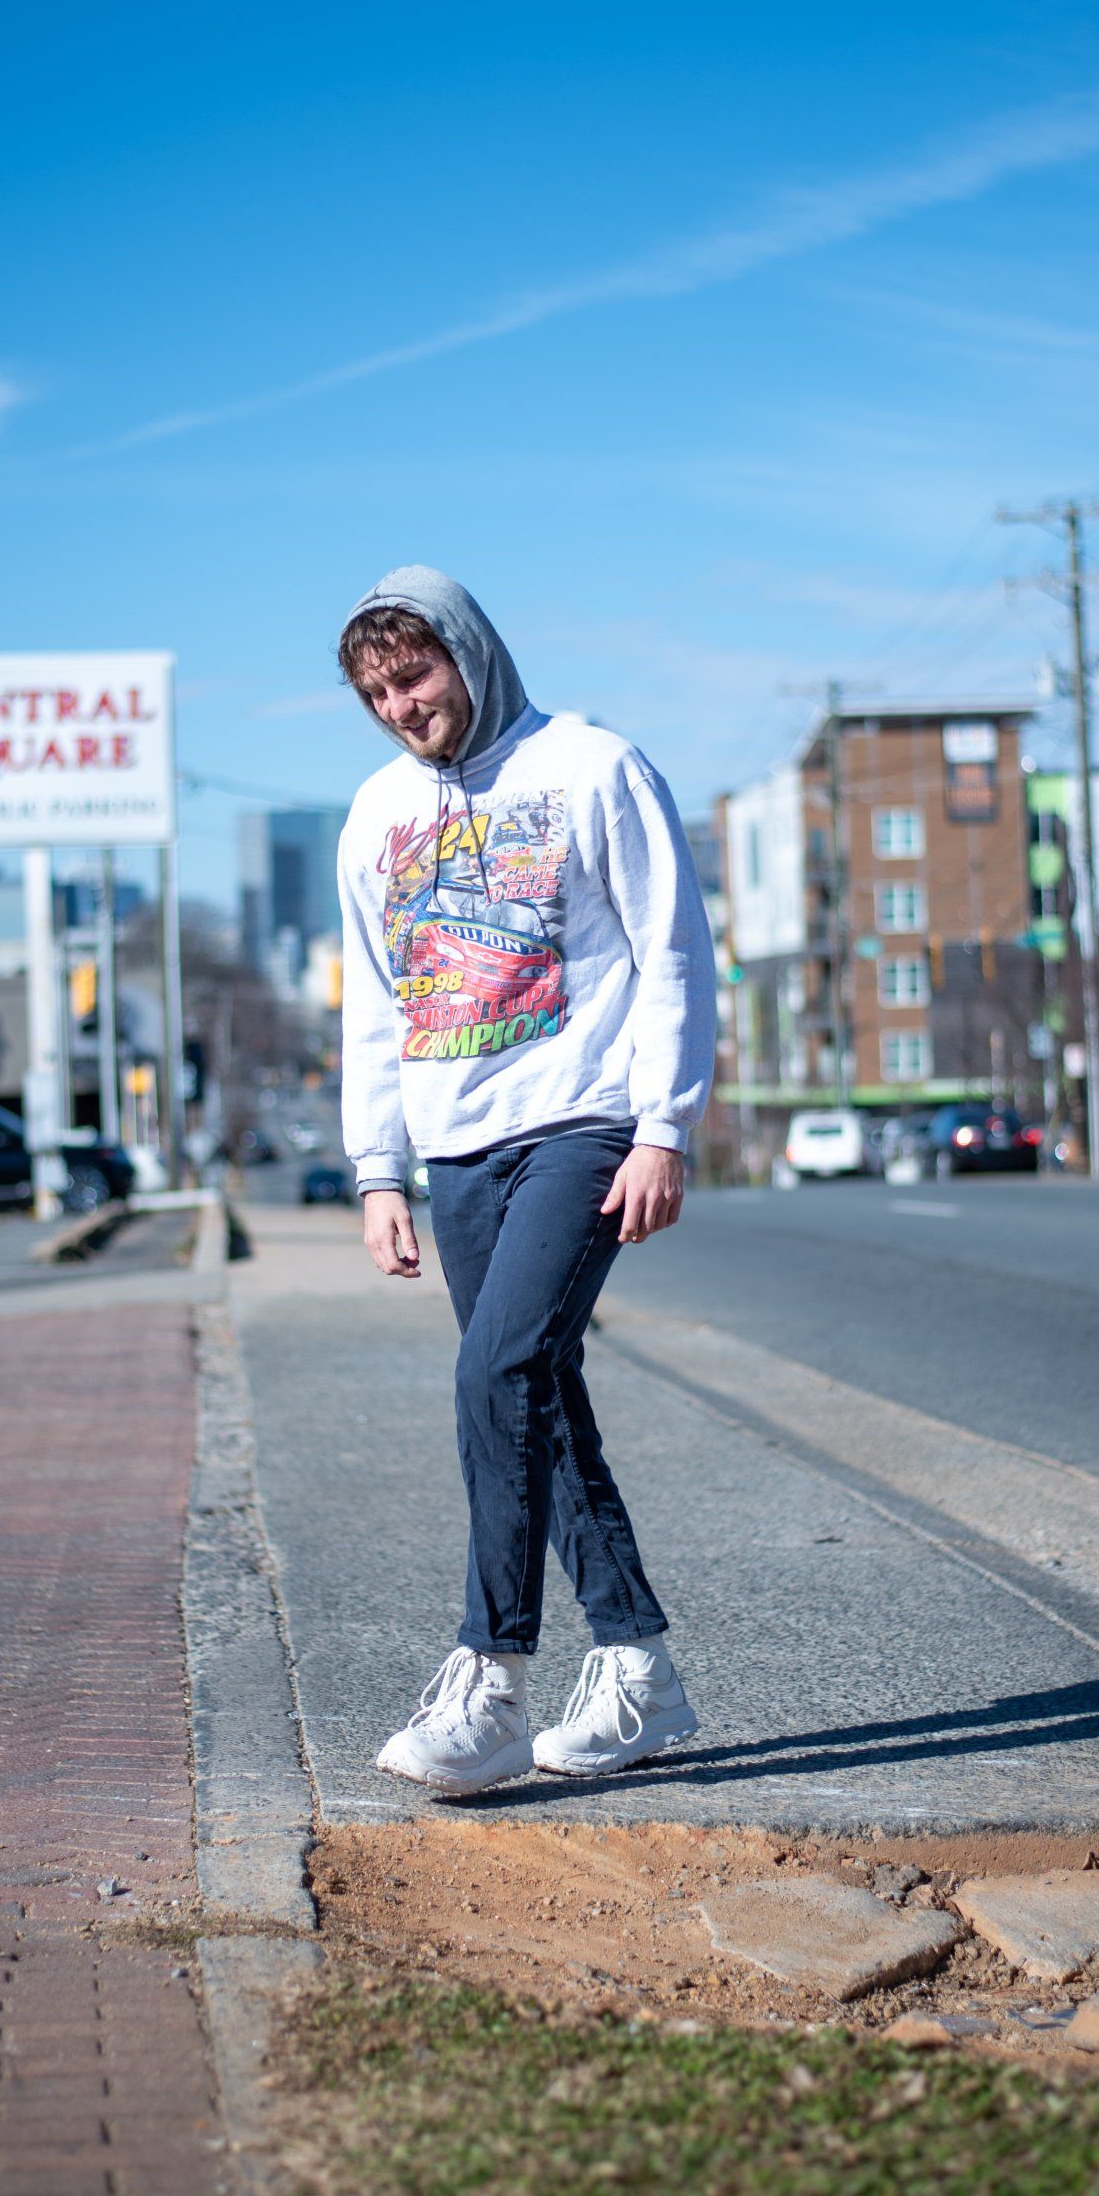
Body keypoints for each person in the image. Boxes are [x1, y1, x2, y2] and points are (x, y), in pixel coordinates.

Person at [335, 564, 716, 1794]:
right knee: (533, 1393)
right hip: (454, 1144)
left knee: (495, 1371)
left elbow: (672, 950)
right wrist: (378, 1170)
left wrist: (664, 1125)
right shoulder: (374, 816)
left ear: (470, 651)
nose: (403, 707)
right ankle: (639, 1670)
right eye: (379, 693)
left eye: (416, 675)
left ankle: (490, 1678)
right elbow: (373, 1005)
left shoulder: (594, 767)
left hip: (583, 1121)